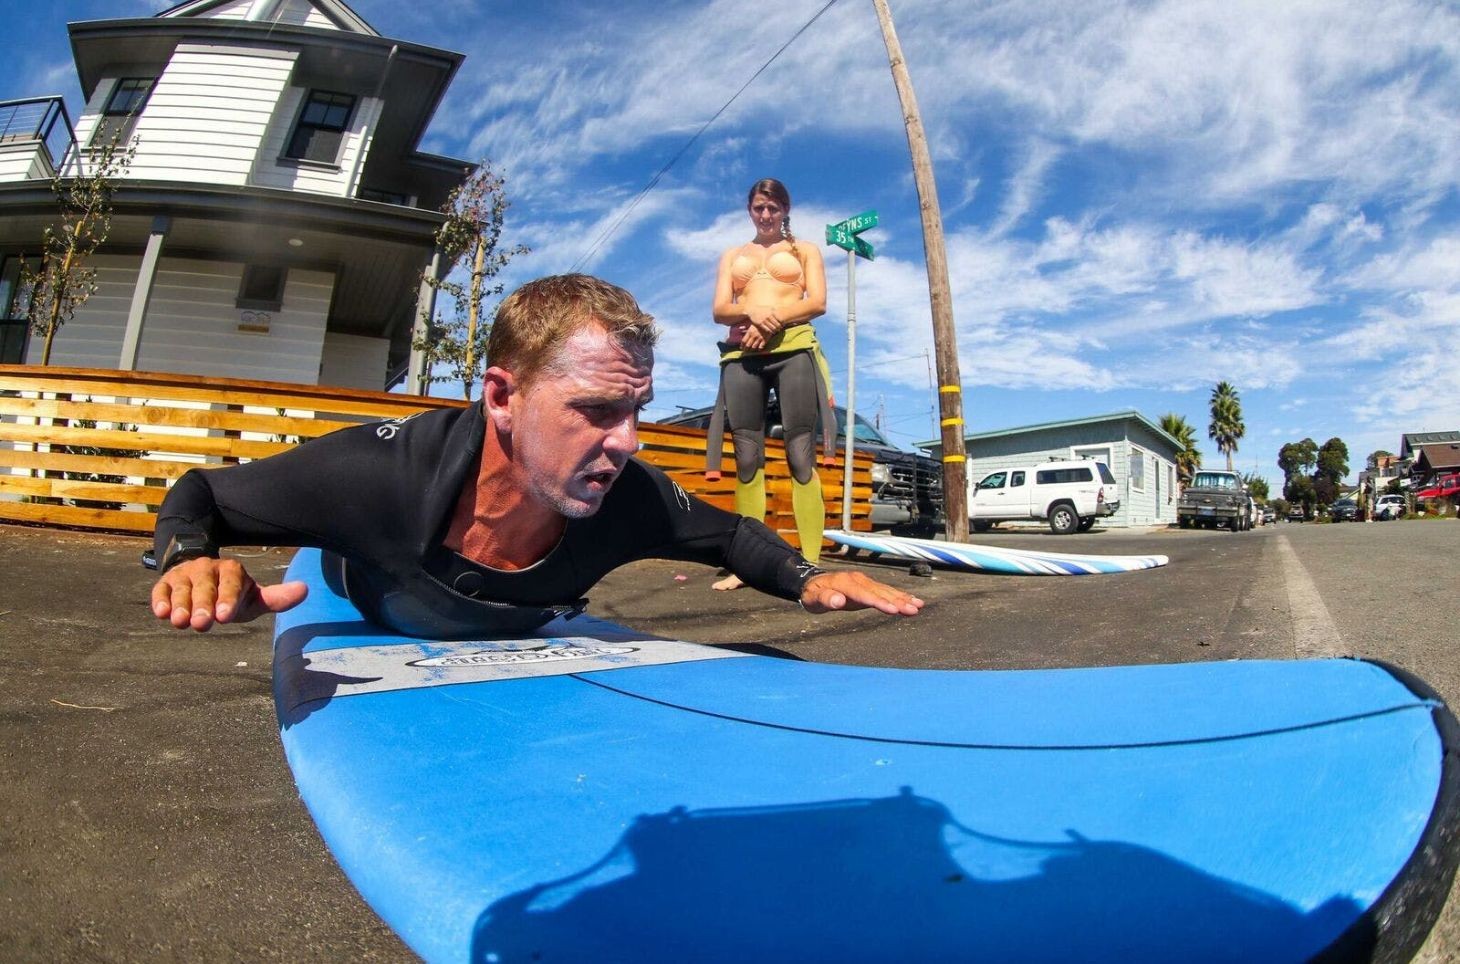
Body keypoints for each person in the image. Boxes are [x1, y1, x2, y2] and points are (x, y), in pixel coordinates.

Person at [149, 273, 921, 637]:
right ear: (501, 397)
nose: (627, 441)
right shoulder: (374, 477)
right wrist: (190, 558)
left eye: (636, 411)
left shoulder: (628, 494)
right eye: (594, 410)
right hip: (363, 582)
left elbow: (729, 534)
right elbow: (202, 494)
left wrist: (809, 577)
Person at [705, 178, 834, 591]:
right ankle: (748, 565)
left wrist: (771, 321)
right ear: (750, 209)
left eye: (773, 208)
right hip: (743, 356)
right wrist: (755, 315)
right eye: (759, 208)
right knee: (746, 457)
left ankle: (810, 561)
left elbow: (816, 302)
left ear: (785, 210)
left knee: (800, 454)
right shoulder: (733, 254)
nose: (765, 215)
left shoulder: (804, 250)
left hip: (794, 350)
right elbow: (721, 309)